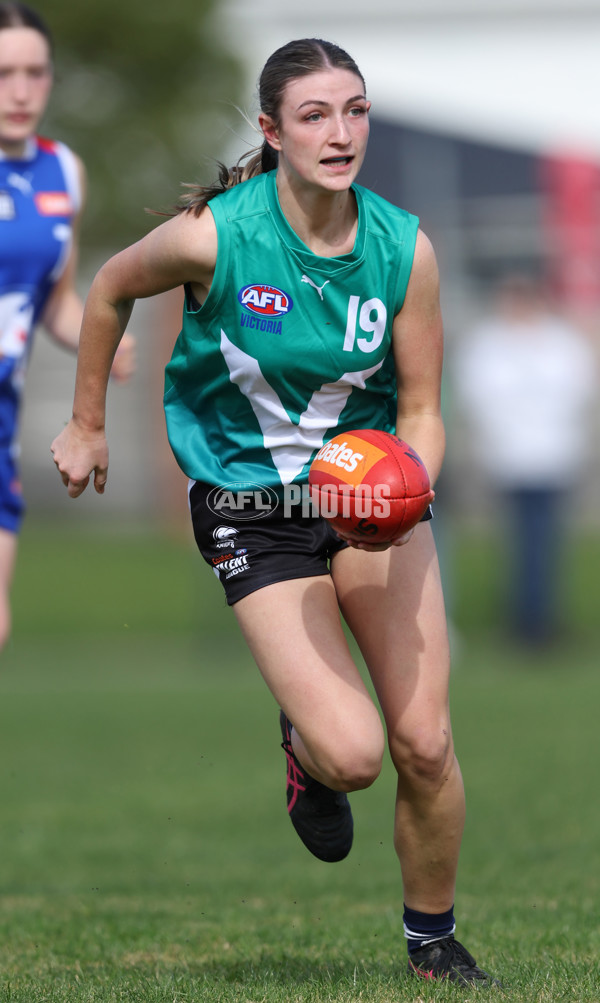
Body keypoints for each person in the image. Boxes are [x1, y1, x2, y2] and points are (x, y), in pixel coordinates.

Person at [50, 38, 498, 986]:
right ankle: (304, 748)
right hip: (253, 508)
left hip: (367, 500)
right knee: (356, 753)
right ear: (271, 130)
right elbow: (107, 290)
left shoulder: (404, 247)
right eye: (315, 115)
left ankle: (432, 942)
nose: (343, 133)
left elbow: (420, 407)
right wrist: (86, 424)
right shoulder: (212, 235)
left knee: (425, 740)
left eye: (357, 110)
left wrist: (409, 480)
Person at [0, 2, 134, 651]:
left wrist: (104, 338)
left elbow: (53, 300)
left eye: (35, 72)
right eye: (3, 73)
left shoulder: (64, 170)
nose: (21, 91)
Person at [454, 273, 597, 646]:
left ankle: (543, 617)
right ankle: (524, 619)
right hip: (509, 458)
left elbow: (578, 389)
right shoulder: (488, 343)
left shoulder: (560, 342)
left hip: (553, 456)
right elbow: (478, 396)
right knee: (518, 542)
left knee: (547, 541)